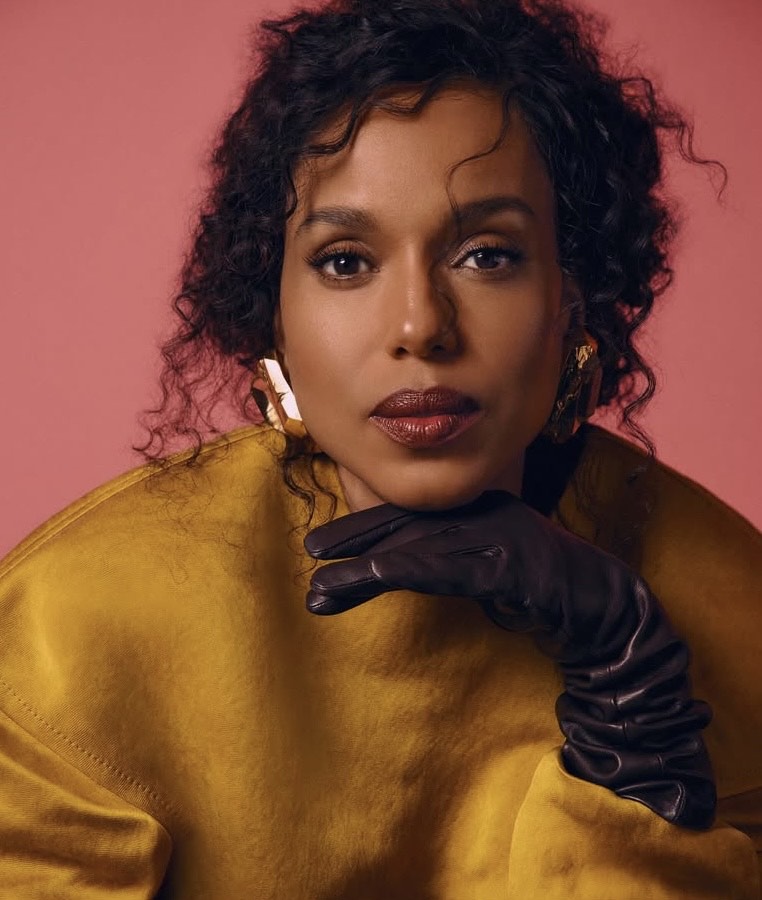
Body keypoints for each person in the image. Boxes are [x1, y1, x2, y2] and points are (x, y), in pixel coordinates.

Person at [1, 0, 760, 896]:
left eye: (487, 254)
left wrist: (633, 706)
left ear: (572, 297)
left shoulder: (730, 608)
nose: (420, 325)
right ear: (274, 314)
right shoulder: (73, 633)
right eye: (346, 261)